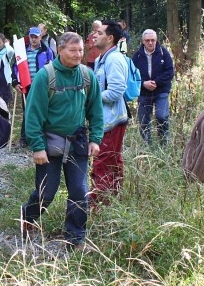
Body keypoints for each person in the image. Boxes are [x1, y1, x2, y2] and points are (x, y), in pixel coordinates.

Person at [20, 32, 103, 248]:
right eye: (73, 50)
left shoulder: (87, 76)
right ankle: (27, 217)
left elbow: (96, 110)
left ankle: (75, 237)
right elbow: (33, 115)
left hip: (78, 143)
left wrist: (95, 139)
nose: (78, 55)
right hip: (49, 145)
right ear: (60, 50)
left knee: (79, 191)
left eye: (81, 50)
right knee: (47, 192)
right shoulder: (45, 76)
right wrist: (37, 147)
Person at [90, 21, 129, 206]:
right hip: (105, 120)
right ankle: (113, 203)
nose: (94, 35)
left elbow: (115, 92)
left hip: (112, 121)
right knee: (112, 161)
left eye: (99, 32)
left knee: (103, 162)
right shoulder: (101, 59)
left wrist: (90, 97)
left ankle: (99, 205)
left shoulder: (114, 59)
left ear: (110, 38)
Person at [12, 26, 55, 147]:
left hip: (42, 86)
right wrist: (15, 82)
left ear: (40, 37)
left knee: (42, 111)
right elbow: (15, 68)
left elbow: (53, 68)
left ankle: (43, 137)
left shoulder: (47, 51)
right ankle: (24, 138)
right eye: (31, 37)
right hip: (27, 85)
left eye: (36, 37)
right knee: (27, 111)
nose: (33, 39)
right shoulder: (22, 51)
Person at [131, 29, 175, 144]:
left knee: (161, 116)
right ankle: (146, 143)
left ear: (156, 40)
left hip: (161, 90)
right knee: (144, 120)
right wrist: (143, 83)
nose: (150, 43)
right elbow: (132, 75)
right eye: (147, 40)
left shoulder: (163, 53)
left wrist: (156, 82)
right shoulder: (137, 56)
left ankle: (164, 142)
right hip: (144, 92)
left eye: (153, 40)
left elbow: (170, 72)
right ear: (143, 41)